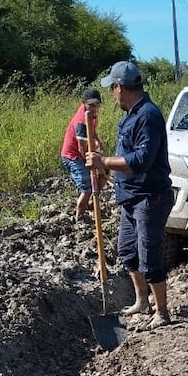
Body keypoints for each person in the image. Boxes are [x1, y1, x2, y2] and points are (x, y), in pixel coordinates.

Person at [87, 61, 174, 329]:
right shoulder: (130, 115)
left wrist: (104, 162)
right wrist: (104, 173)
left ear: (120, 87)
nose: (112, 95)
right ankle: (142, 301)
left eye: (112, 88)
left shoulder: (148, 115)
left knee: (149, 255)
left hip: (150, 197)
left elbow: (141, 160)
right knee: (128, 251)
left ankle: (162, 311)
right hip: (130, 196)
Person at [61, 87, 103, 225]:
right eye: (91, 105)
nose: (94, 107)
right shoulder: (80, 120)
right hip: (73, 156)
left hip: (83, 152)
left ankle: (90, 201)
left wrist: (98, 143)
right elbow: (81, 147)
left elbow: (92, 131)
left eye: (97, 104)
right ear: (84, 103)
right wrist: (89, 162)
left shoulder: (92, 114)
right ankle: (79, 217)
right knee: (86, 186)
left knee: (103, 173)